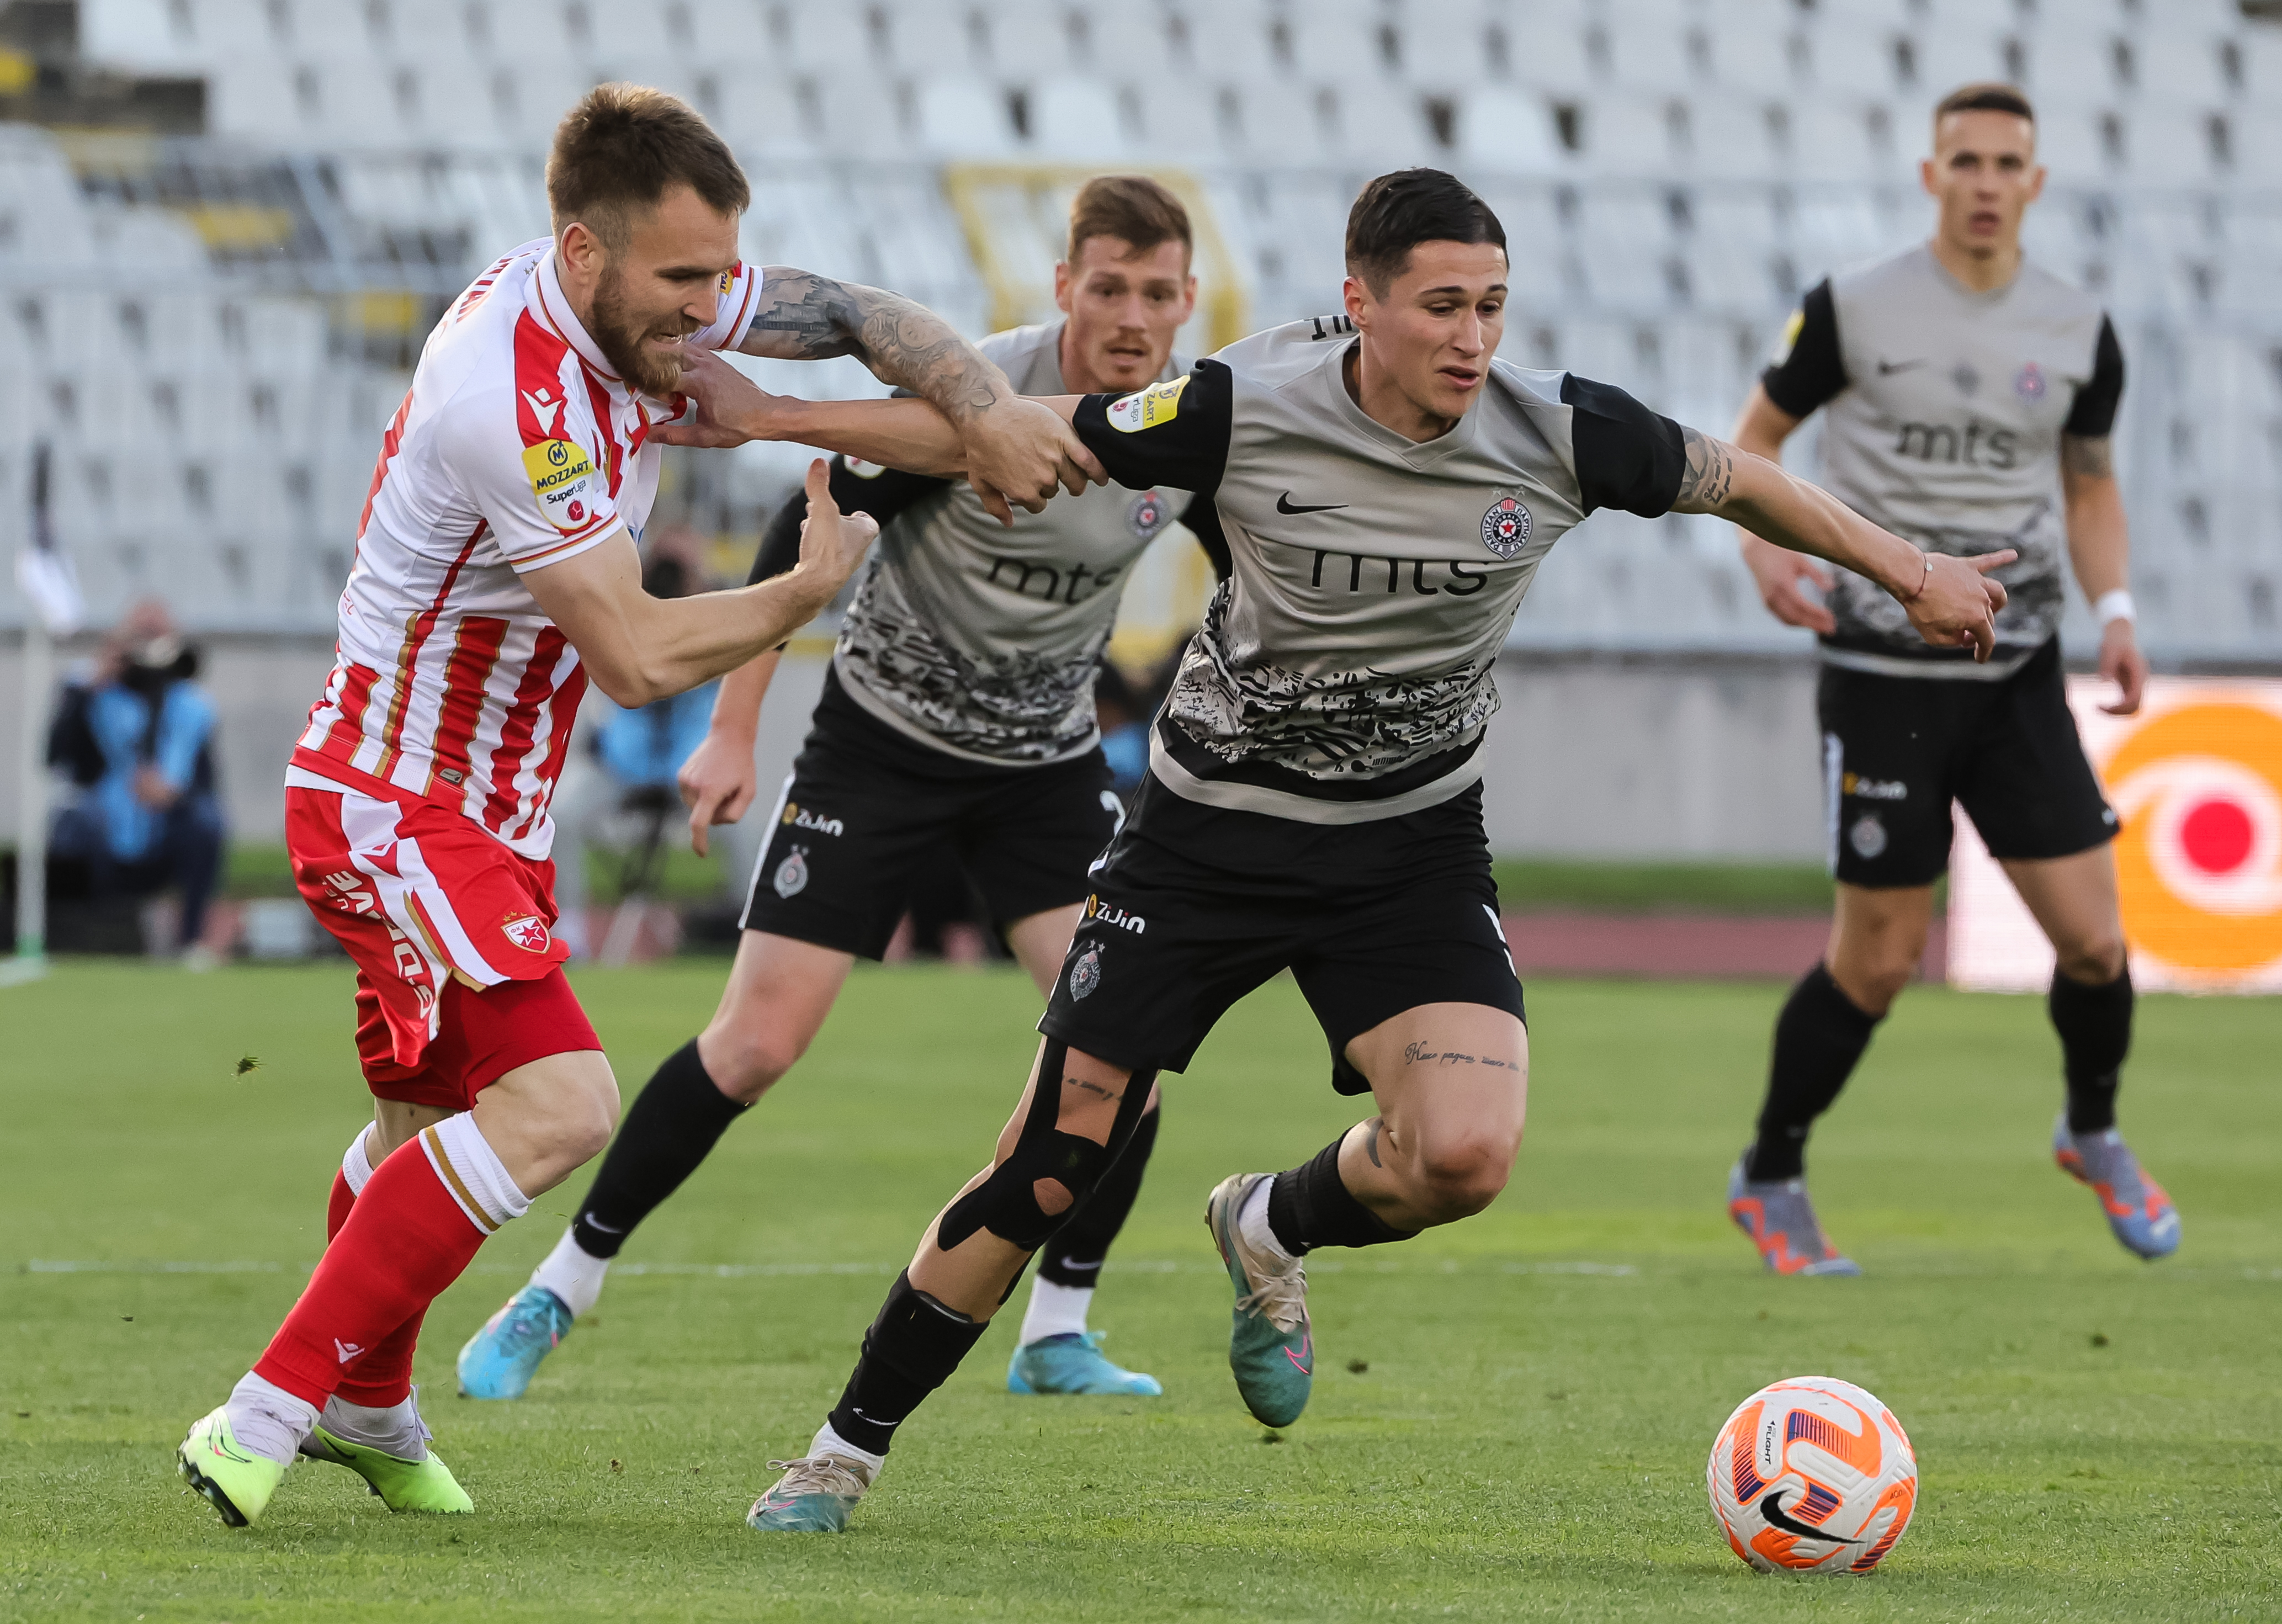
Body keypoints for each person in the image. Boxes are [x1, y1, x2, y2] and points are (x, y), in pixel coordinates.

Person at [651, 166, 2013, 1534]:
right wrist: (775, 414)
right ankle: (842, 1448)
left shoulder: (1563, 432)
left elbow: (1743, 482)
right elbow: (1014, 433)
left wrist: (1907, 571)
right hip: (1202, 843)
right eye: (1438, 307)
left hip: (1406, 847)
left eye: (1489, 305)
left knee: (1464, 1156)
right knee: (1047, 1166)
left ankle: (1267, 1225)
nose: (1470, 338)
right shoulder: (1242, 407)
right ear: (1357, 303)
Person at [172, 83, 1096, 1531]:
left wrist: (979, 407)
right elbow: (632, 651)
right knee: (563, 1101)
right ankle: (269, 1407)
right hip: (397, 801)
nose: (712, 306)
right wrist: (800, 592)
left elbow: (858, 310)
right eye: (683, 279)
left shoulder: (648, 303)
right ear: (583, 253)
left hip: (476, 811)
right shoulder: (511, 391)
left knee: (415, 1121)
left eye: (722, 271)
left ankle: (366, 1402)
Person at [456, 175, 1232, 1406]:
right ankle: (563, 1281)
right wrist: (731, 731)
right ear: (1064, 288)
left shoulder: (1193, 427)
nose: (1131, 315)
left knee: (1117, 1047)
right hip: (880, 753)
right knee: (756, 1043)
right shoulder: (977, 391)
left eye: (1155, 292)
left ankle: (1057, 1330)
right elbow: (798, 533)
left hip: (1042, 770)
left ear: (1190, 300)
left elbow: (1255, 564)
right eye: (1107, 287)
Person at [1723, 83, 2175, 1277]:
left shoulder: (2080, 328)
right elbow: (1751, 442)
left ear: (2036, 181)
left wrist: (2117, 610)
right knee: (1876, 959)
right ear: (1931, 177)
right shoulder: (1854, 308)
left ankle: (2091, 1128)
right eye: (1964, 161)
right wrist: (1764, 550)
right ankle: (1770, 1171)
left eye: (2006, 163)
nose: (1984, 182)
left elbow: (2088, 484)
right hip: (1880, 673)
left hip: (2020, 674)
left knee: (2096, 943)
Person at [46, 599, 227, 963]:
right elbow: (56, 756)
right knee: (68, 823)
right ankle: (73, 937)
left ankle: (192, 941)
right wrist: (89, 688)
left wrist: (173, 792)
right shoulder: (90, 691)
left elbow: (205, 783)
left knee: (207, 823)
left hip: (164, 830)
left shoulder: (190, 704)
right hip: (105, 824)